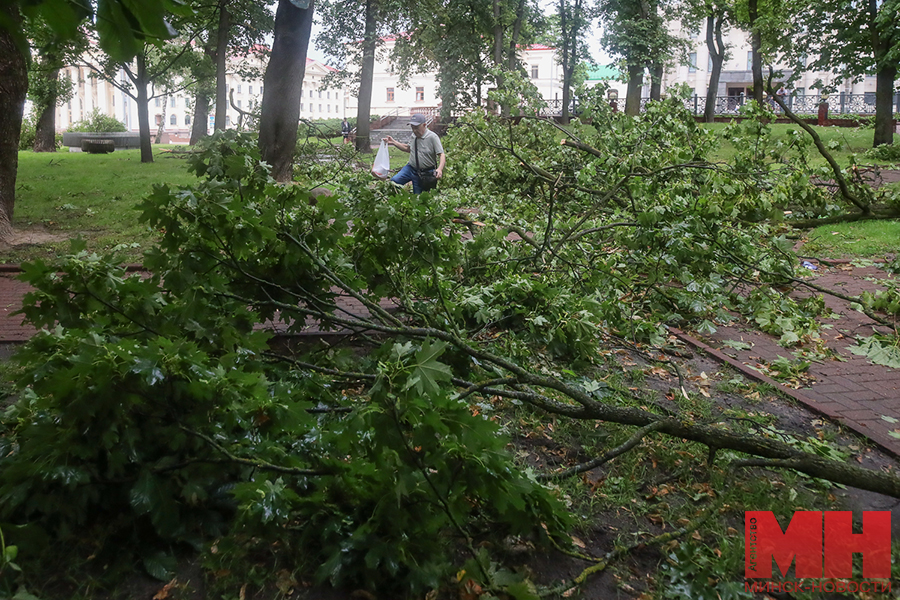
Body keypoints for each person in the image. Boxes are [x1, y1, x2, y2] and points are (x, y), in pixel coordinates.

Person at [382, 114, 445, 194]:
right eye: (412, 127)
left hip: (425, 173)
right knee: (394, 182)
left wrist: (439, 169)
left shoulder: (432, 137)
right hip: (410, 168)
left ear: (424, 125)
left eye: (416, 127)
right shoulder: (413, 136)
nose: (414, 130)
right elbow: (408, 148)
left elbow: (441, 154)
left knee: (418, 198)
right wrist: (394, 142)